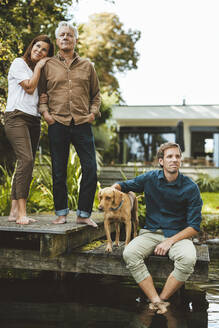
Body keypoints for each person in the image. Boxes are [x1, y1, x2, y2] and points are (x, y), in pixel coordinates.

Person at [112, 142, 203, 314]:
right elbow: (124, 185)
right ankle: (155, 300)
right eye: (169, 156)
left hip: (178, 236)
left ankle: (162, 299)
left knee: (188, 259)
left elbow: (194, 227)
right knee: (130, 253)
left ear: (181, 161)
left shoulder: (190, 188)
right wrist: (112, 189)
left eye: (177, 156)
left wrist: (170, 241)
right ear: (161, 161)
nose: (174, 160)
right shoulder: (150, 178)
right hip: (151, 232)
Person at [38, 21, 101, 226]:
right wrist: (46, 114)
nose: (66, 38)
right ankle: (61, 213)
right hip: (58, 122)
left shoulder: (87, 66)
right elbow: (42, 94)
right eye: (62, 35)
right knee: (58, 170)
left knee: (90, 168)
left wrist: (92, 113)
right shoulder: (48, 65)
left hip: (82, 122)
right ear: (57, 40)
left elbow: (96, 94)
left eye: (69, 35)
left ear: (75, 39)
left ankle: (83, 214)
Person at [4, 35, 54, 225]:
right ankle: (21, 214)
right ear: (31, 46)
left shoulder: (39, 72)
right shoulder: (19, 63)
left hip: (34, 120)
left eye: (44, 50)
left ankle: (14, 210)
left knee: (24, 164)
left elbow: (40, 96)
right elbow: (29, 88)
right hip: (16, 117)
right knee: (26, 159)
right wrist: (40, 67)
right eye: (37, 46)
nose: (39, 51)